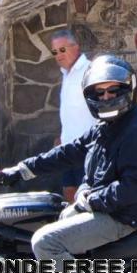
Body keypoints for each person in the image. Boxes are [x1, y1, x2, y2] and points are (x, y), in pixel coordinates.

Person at [0, 54, 137, 273]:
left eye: (113, 90)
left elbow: (133, 189)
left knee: (45, 242)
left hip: (121, 217)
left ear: (129, 89)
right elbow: (70, 151)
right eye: (100, 92)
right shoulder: (108, 125)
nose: (107, 97)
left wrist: (89, 200)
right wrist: (19, 170)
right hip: (104, 208)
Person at [48, 29, 94, 203]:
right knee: (69, 194)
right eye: (54, 52)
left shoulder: (89, 71)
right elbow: (71, 109)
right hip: (68, 149)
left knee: (85, 198)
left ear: (76, 47)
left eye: (62, 50)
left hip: (87, 149)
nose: (58, 55)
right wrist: (62, 134)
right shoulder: (66, 74)